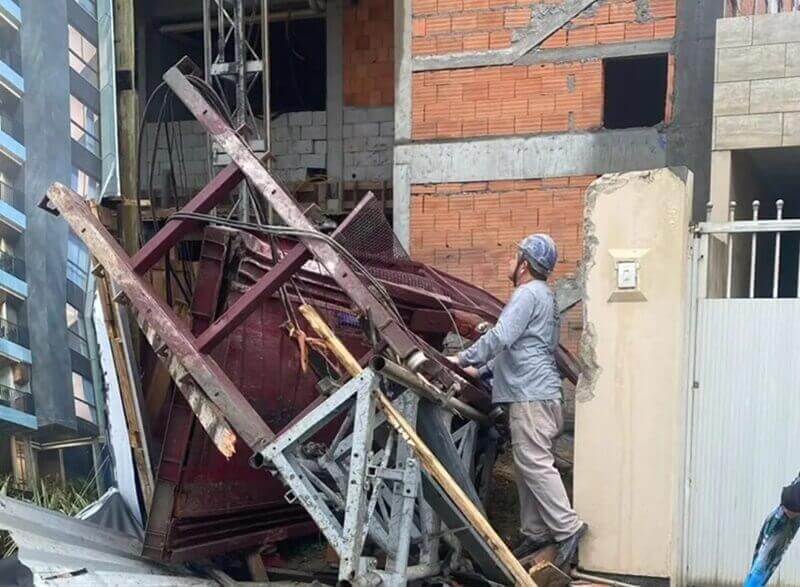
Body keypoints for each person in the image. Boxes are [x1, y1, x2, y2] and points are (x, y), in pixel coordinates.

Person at [448, 233, 587, 566]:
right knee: (527, 467)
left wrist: (462, 360)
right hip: (539, 394)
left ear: (525, 265)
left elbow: (500, 337)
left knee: (535, 463)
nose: (509, 261)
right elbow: (519, 348)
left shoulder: (527, 294)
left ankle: (568, 528)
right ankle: (535, 534)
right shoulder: (545, 297)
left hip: (531, 396)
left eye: (514, 256)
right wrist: (481, 372)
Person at [744, 475, 800, 586]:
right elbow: (789, 497)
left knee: (762, 566)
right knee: (761, 566)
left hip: (787, 516)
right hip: (784, 517)